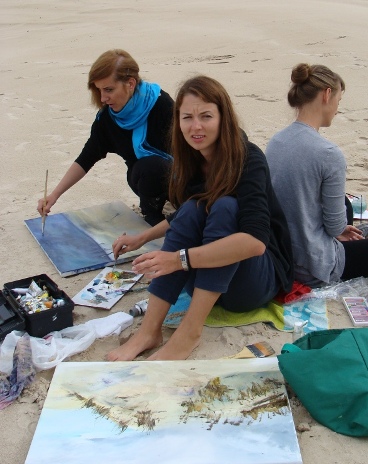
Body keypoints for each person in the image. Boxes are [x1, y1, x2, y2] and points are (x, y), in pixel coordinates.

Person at [107, 75, 293, 361]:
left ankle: (189, 333)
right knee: (195, 208)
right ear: (178, 122)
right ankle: (149, 331)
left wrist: (178, 259)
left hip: (254, 284)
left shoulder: (248, 158)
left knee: (226, 207)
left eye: (206, 116)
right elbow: (182, 217)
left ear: (223, 118)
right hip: (206, 282)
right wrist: (141, 238)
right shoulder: (191, 160)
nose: (196, 126)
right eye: (187, 117)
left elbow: (255, 242)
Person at [265, 63, 368, 287]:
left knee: (346, 204)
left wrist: (338, 229)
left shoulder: (276, 141)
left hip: (279, 252)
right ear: (327, 94)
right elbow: (333, 226)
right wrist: (338, 230)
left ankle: (349, 238)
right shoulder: (328, 153)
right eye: (338, 101)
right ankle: (348, 245)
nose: (337, 109)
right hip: (312, 265)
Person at [37, 49, 174, 227]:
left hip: (181, 175)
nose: (102, 98)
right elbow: (86, 158)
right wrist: (54, 195)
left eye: (109, 89)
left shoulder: (161, 104)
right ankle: (152, 216)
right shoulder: (107, 120)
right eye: (99, 90)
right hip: (145, 179)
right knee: (150, 166)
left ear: (130, 83)